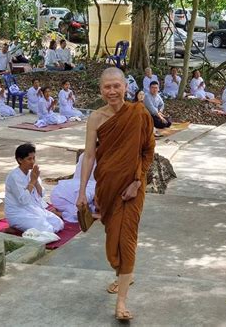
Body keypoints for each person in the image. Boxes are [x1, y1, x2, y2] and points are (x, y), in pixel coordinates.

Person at [76, 67, 155, 321]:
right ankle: (123, 275)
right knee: (113, 241)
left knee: (126, 238)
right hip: (107, 187)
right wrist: (81, 191)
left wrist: (137, 181)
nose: (112, 91)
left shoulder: (139, 113)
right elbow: (89, 156)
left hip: (132, 189)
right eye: (107, 87)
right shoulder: (96, 118)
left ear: (125, 87)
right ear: (101, 90)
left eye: (116, 86)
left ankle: (121, 302)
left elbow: (148, 152)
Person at [5, 143, 64, 233]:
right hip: (18, 213)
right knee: (47, 229)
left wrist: (35, 180)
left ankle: (23, 229)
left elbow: (41, 194)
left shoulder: (31, 173)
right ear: (20, 160)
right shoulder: (14, 177)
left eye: (33, 158)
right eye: (29, 159)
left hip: (33, 209)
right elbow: (23, 200)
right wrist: (32, 181)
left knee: (59, 223)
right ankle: (16, 227)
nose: (32, 161)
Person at [50, 152, 96, 223]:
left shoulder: (94, 190)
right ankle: (59, 213)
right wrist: (98, 216)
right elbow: (79, 212)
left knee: (90, 209)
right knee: (79, 213)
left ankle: (60, 212)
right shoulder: (90, 193)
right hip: (59, 196)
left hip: (72, 192)